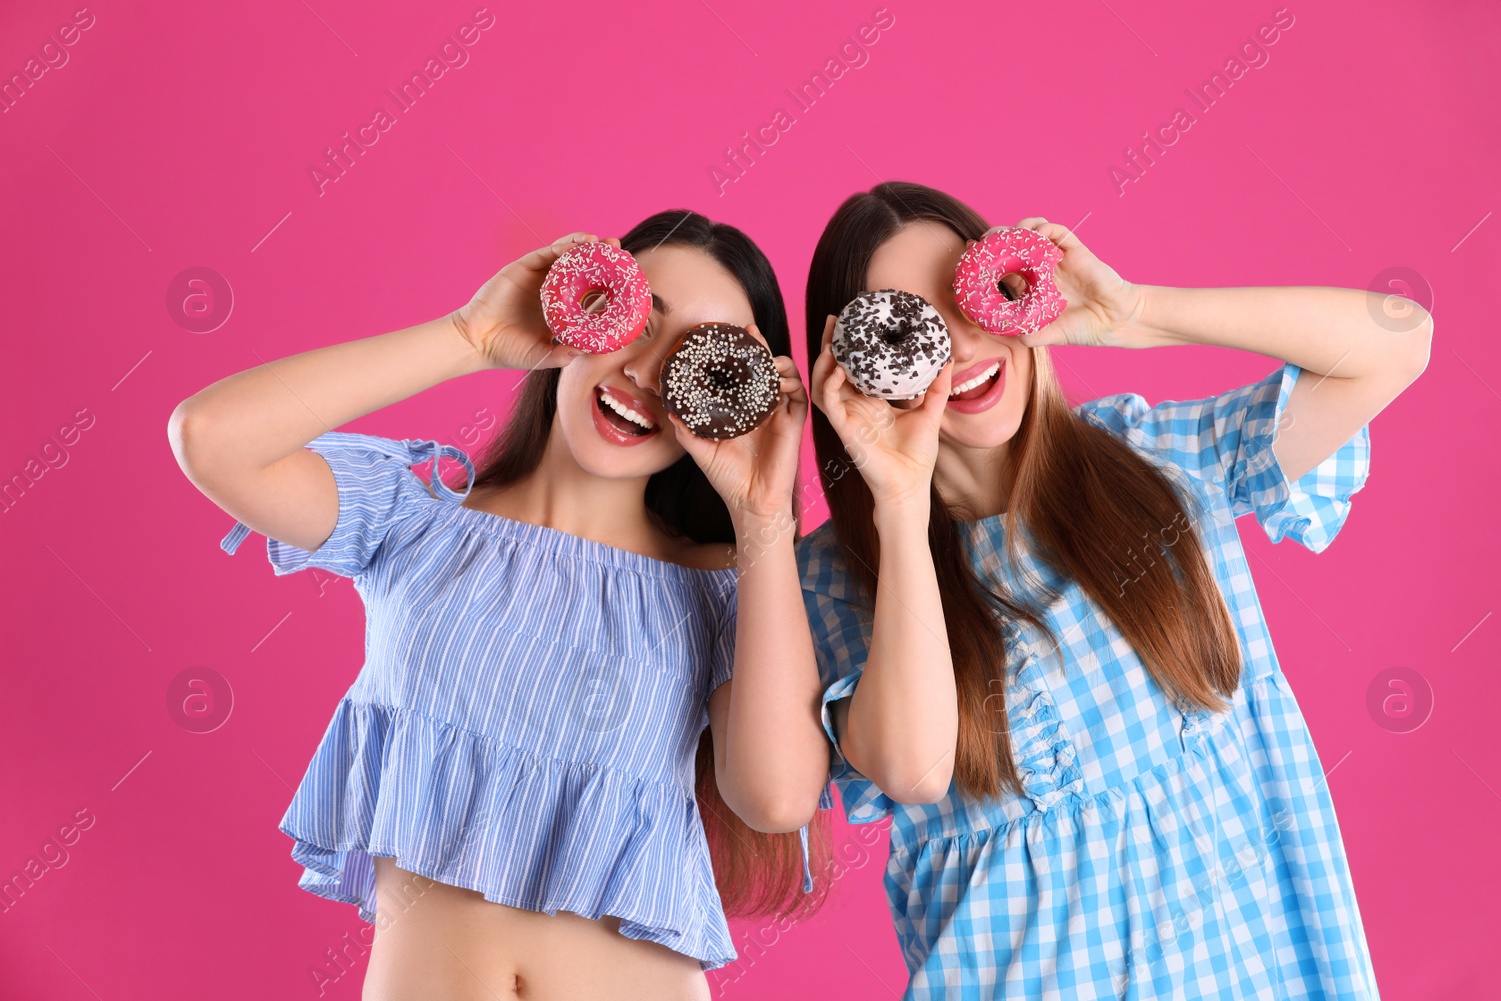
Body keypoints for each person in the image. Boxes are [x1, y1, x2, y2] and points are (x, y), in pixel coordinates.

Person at [169, 211, 832, 1000]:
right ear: (577, 311)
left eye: (698, 360)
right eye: (633, 322)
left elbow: (779, 796)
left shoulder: (723, 583)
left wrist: (762, 515)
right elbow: (211, 436)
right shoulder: (413, 523)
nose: (649, 374)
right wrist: (470, 335)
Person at [798, 180, 1428, 999]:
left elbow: (1397, 341)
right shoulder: (842, 578)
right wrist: (899, 499)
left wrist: (1134, 314)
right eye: (906, 328)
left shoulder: (1156, 460)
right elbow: (913, 767)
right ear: (856, 364)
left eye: (975, 293)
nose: (958, 342)